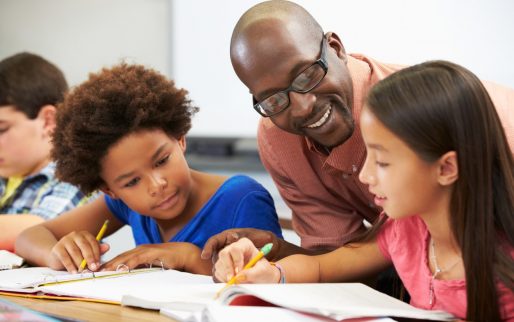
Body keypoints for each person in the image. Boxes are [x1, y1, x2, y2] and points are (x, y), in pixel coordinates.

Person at [201, 0, 514, 262]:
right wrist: (278, 251)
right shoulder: (278, 138)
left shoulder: (446, 114)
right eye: (274, 99)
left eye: (307, 74)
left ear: (336, 49)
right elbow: (340, 259)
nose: (302, 107)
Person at [213, 60, 514, 322]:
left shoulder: (504, 262)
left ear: (446, 168)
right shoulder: (407, 231)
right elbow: (321, 267)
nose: (366, 176)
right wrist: (273, 275)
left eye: (382, 161)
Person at [15, 63, 283, 275]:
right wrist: (57, 253)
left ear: (180, 138)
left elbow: (269, 279)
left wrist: (188, 257)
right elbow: (30, 236)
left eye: (161, 160)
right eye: (131, 182)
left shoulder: (241, 198)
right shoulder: (122, 204)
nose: (156, 185)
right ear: (110, 189)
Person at [0, 52, 88, 251]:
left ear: (48, 120)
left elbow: (43, 230)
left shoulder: (76, 177)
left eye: (2, 129)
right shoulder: (6, 175)